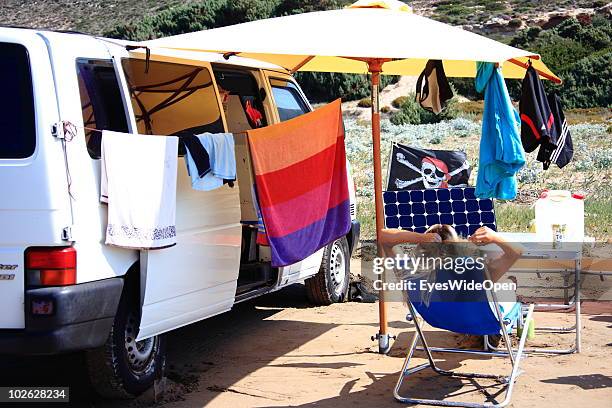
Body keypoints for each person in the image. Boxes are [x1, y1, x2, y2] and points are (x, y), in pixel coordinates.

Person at [379, 225, 523, 282]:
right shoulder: (477, 275)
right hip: (478, 321)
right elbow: (516, 251)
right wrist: (494, 236)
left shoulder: (410, 274)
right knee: (507, 284)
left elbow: (384, 236)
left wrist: (420, 237)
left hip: (437, 318)